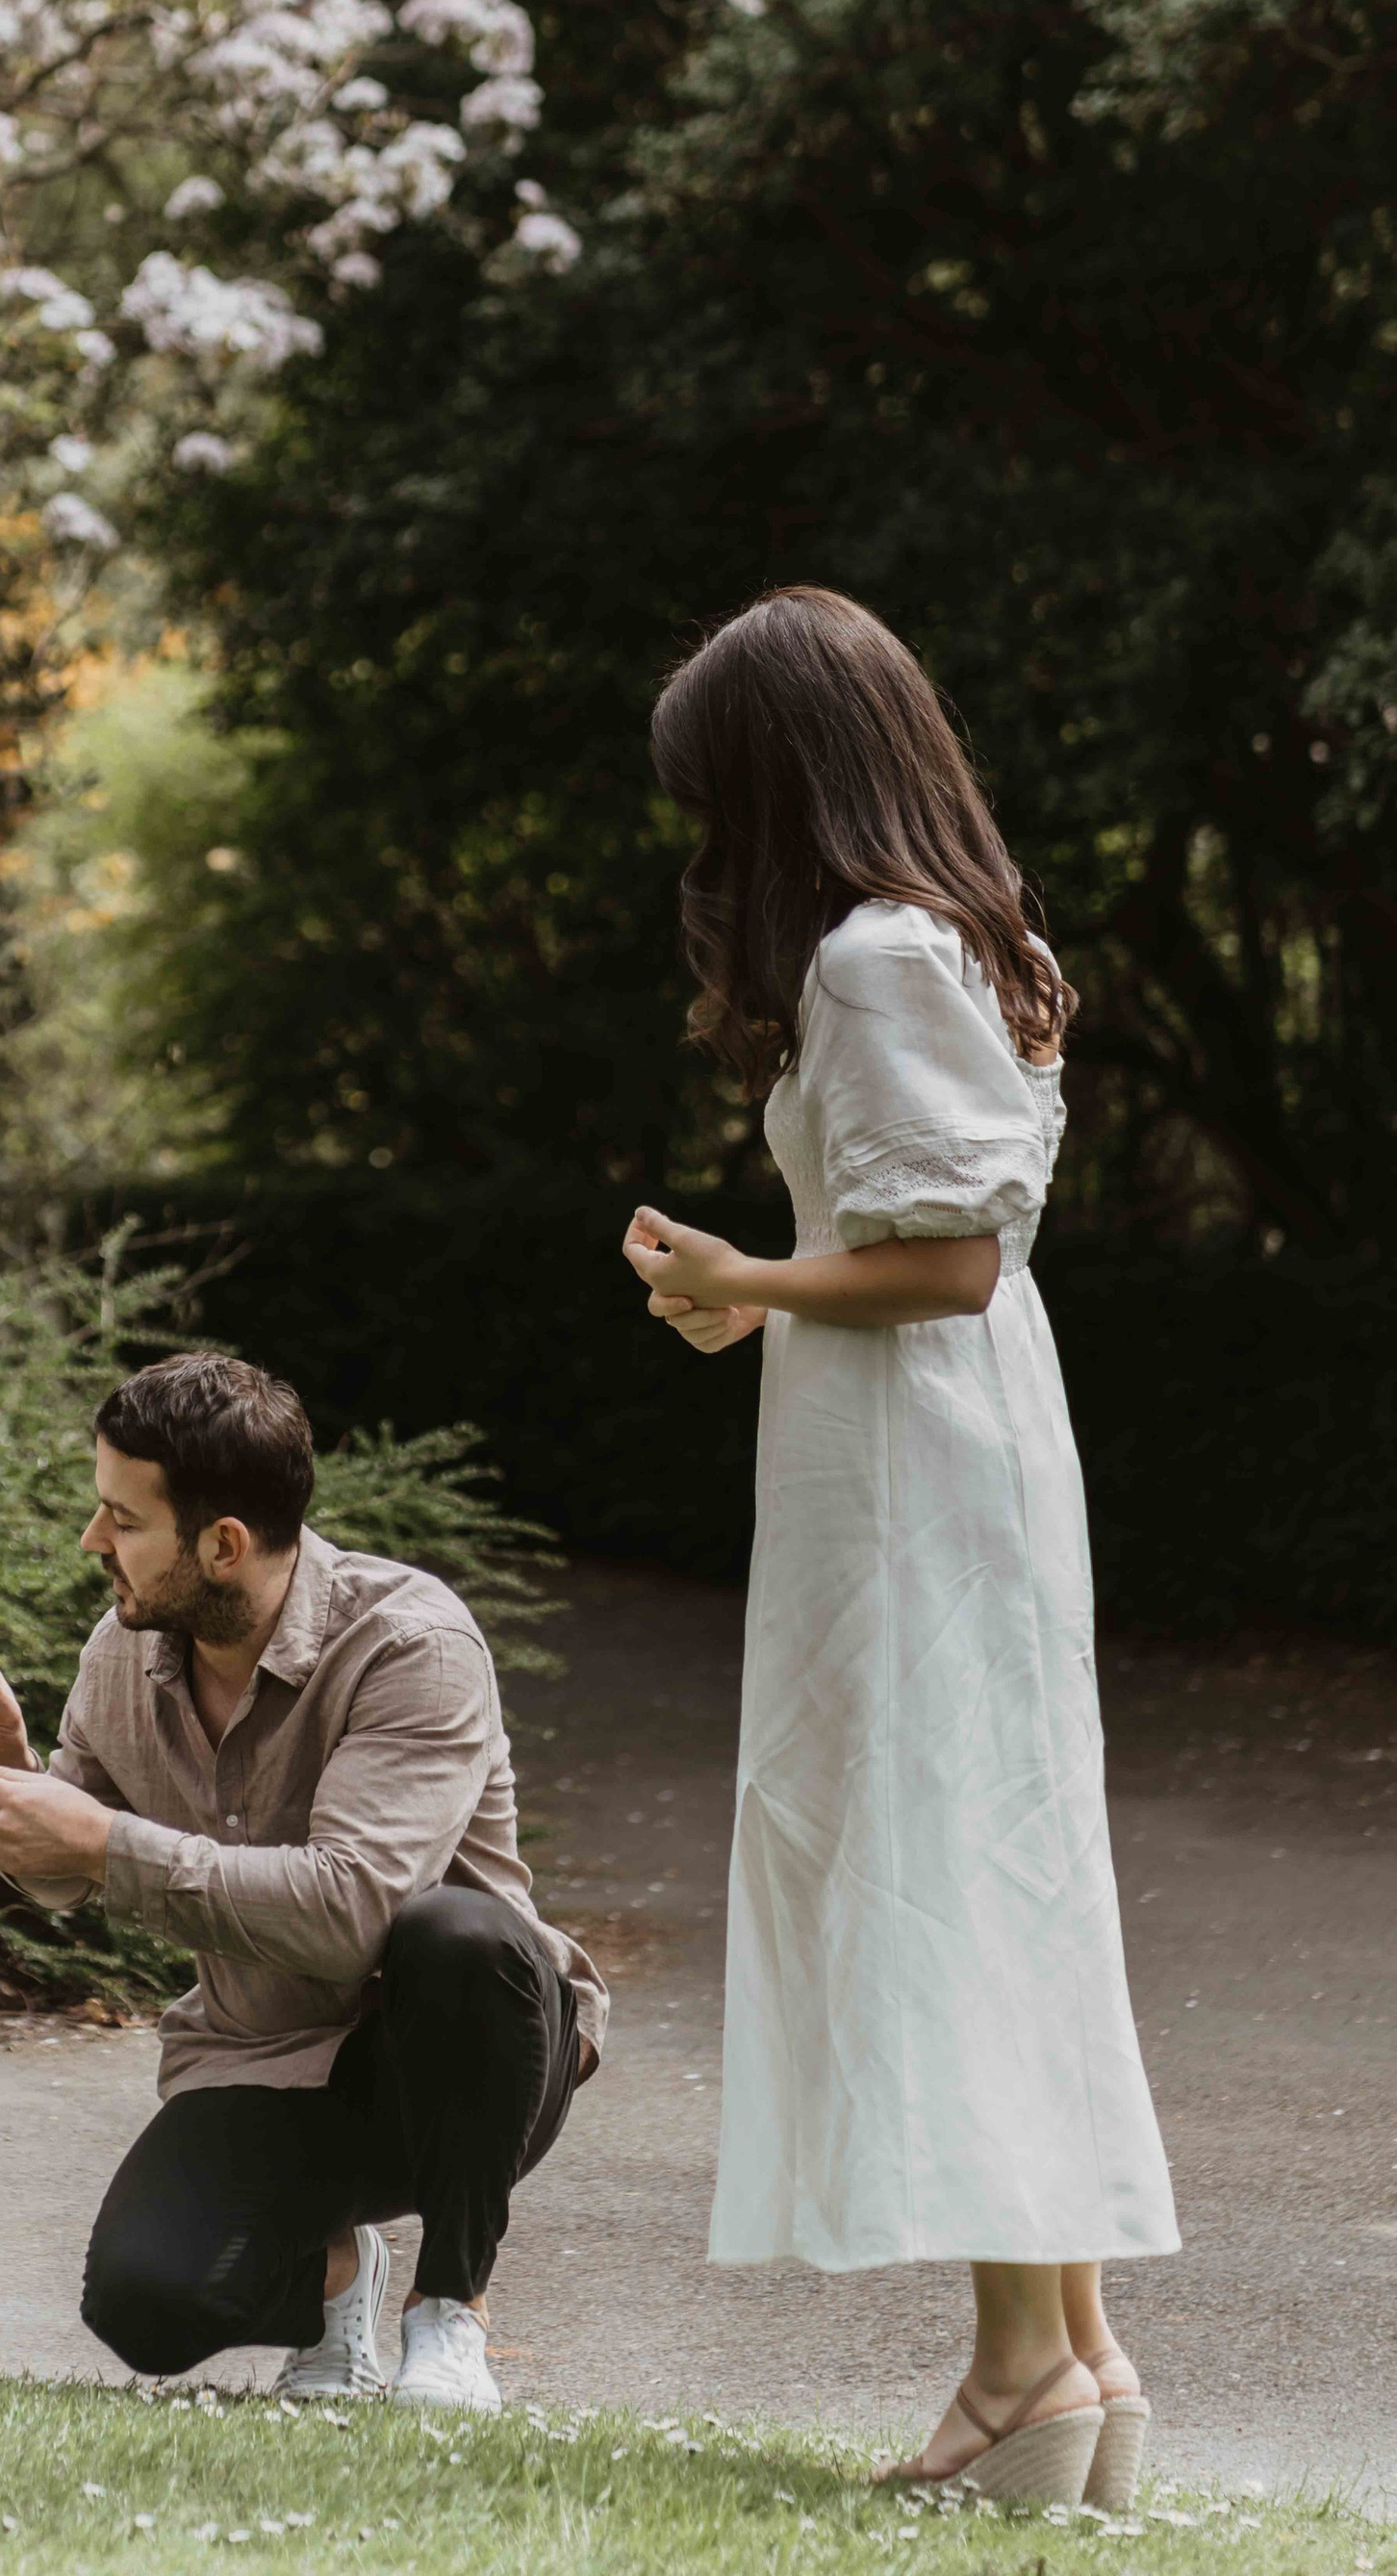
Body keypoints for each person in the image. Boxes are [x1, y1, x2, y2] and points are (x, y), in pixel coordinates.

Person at [620, 587, 1176, 2512]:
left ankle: (1024, 2368)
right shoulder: (965, 938)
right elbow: (941, 1254)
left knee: (938, 1885)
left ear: (779, 777)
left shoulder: (868, 956)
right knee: (992, 1879)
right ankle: (1069, 2358)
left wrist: (735, 1271)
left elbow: (937, 1264)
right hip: (962, 1448)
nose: (705, 840)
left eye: (714, 795)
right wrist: (760, 1296)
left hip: (912, 1471)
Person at [0, 1351, 605, 2410]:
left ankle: (448, 2314)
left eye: (121, 1517)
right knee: (144, 2306)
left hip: (465, 2060)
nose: (91, 1540)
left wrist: (107, 1843)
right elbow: (61, 1878)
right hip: (259, 2056)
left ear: (222, 1544)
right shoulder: (124, 1650)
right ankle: (338, 2275)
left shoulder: (407, 1645)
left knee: (458, 1936)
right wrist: (10, 1779)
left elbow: (355, 1916)